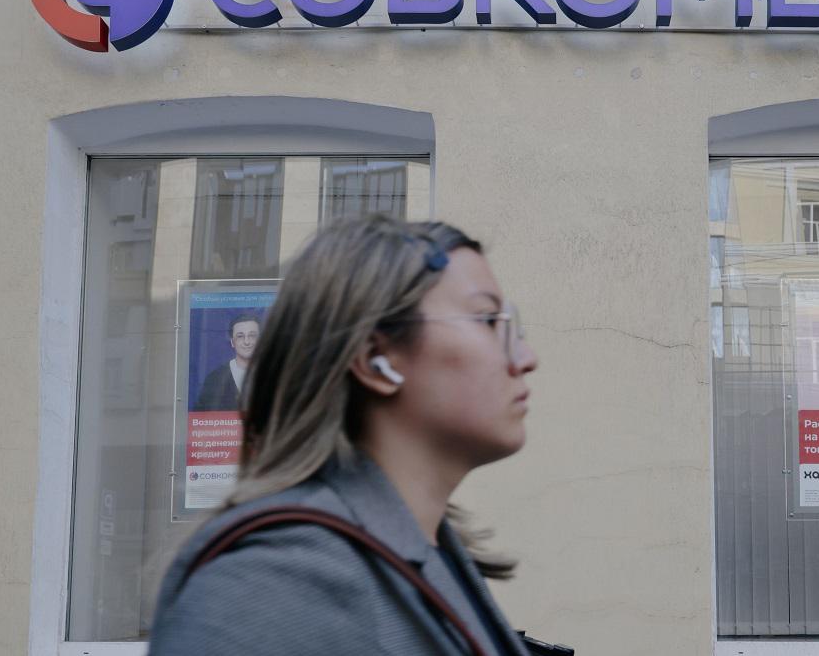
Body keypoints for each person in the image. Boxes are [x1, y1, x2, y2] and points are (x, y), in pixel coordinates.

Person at [150, 216, 539, 655]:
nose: (527, 358)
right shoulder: (273, 582)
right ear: (375, 359)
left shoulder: (427, 551)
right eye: (487, 319)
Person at [191, 314, 260, 412]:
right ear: (232, 342)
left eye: (252, 335)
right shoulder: (215, 379)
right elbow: (201, 416)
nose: (246, 341)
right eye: (240, 336)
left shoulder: (273, 375)